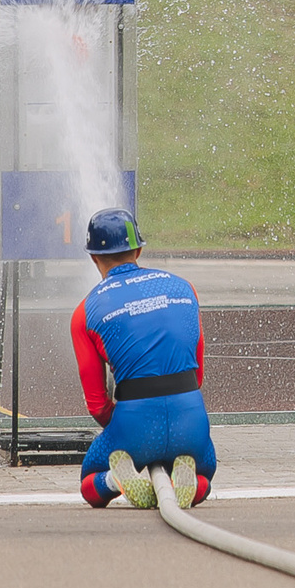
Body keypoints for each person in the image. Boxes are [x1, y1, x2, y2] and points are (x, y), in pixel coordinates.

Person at [72, 208, 216, 510]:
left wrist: (126, 431)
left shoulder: (83, 313)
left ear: (92, 257)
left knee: (89, 482)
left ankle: (114, 480)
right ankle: (188, 479)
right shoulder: (185, 288)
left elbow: (97, 404)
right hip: (190, 415)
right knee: (206, 473)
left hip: (133, 420)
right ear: (138, 249)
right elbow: (198, 373)